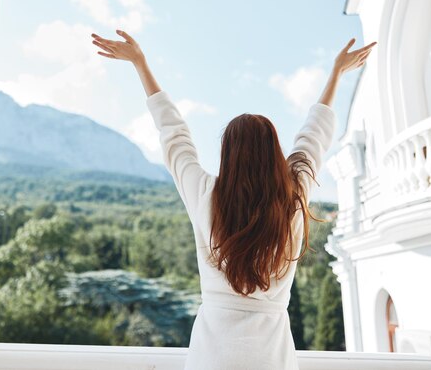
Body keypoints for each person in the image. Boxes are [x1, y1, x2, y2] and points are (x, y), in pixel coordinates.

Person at [91, 30, 376, 370]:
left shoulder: (206, 194)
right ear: (274, 154)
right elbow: (314, 135)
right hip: (272, 356)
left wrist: (141, 64)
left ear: (228, 155)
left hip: (212, 355)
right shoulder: (292, 196)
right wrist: (336, 75)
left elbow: (174, 134)